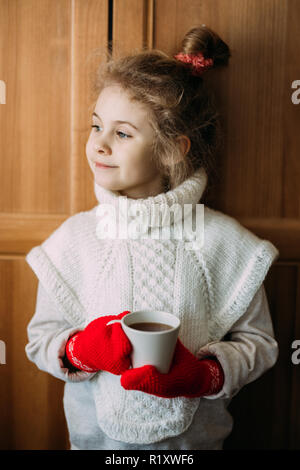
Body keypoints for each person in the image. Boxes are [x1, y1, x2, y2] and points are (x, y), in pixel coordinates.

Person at [25, 25, 279, 450]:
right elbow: (40, 341)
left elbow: (260, 344)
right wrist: (83, 351)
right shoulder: (74, 240)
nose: (99, 145)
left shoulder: (224, 243)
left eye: (122, 133)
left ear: (172, 149)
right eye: (96, 126)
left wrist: (207, 374)